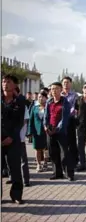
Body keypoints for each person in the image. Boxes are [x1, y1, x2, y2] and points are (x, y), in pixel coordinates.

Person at [1, 75, 26, 204]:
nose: (5, 84)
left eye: (8, 82)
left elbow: (19, 122)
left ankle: (16, 195)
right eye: (3, 81)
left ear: (15, 85)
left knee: (15, 168)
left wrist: (11, 137)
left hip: (13, 140)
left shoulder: (20, 101)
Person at [44, 82, 74, 181]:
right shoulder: (49, 101)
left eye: (56, 88)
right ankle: (57, 173)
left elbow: (65, 118)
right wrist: (45, 126)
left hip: (61, 131)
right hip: (50, 130)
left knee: (64, 153)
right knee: (53, 152)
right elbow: (46, 115)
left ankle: (69, 173)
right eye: (52, 89)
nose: (54, 91)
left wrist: (57, 128)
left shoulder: (65, 102)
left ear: (61, 90)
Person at [61, 77, 79, 171]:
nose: (65, 84)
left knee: (72, 142)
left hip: (71, 120)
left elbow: (74, 107)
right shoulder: (59, 95)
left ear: (70, 84)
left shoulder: (74, 95)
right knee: (62, 143)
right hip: (60, 122)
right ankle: (63, 163)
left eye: (67, 82)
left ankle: (74, 162)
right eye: (64, 82)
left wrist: (67, 112)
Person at [28, 92, 48, 172]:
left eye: (43, 97)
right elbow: (31, 120)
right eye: (39, 97)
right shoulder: (34, 108)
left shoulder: (48, 107)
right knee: (37, 149)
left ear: (46, 98)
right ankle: (39, 164)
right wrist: (29, 131)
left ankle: (45, 163)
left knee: (46, 149)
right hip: (36, 132)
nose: (40, 98)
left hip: (46, 131)